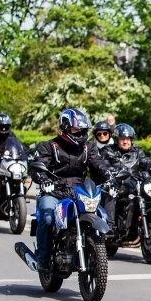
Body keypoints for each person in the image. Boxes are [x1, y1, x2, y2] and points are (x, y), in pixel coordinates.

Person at [31, 108, 112, 271]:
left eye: (82, 129)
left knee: (101, 213)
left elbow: (99, 164)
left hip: (78, 192)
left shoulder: (88, 147)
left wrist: (109, 177)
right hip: (54, 191)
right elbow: (37, 168)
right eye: (76, 129)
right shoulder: (49, 146)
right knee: (47, 218)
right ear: (65, 128)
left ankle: (92, 247)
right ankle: (43, 259)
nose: (80, 132)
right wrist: (44, 180)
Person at [100, 123, 151, 231]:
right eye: (122, 139)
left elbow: (146, 162)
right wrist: (110, 171)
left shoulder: (137, 151)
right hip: (117, 184)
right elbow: (103, 165)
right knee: (111, 194)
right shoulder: (108, 151)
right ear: (116, 139)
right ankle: (109, 227)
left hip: (134, 184)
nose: (125, 141)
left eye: (128, 139)